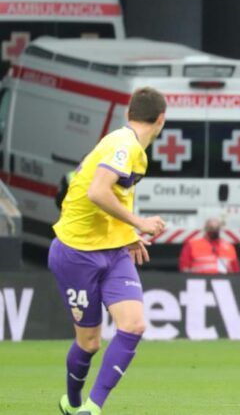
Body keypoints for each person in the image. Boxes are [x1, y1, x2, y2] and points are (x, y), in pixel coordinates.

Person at [49, 87, 167, 415]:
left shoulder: (132, 148)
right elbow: (97, 192)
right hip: (76, 252)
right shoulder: (123, 144)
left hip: (114, 251)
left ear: (129, 113)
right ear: (161, 119)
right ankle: (72, 403)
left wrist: (128, 233)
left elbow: (115, 194)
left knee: (134, 325)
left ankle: (92, 407)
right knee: (89, 343)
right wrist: (140, 223)